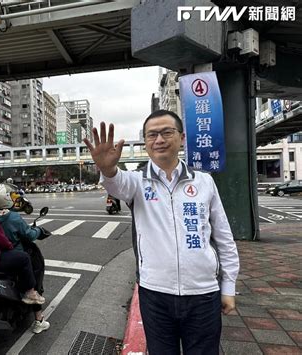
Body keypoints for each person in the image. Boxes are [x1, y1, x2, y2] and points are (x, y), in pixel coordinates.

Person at [83, 109, 240, 355]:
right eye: (151, 135)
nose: (159, 140)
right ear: (145, 142)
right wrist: (107, 170)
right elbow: (115, 183)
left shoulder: (203, 182)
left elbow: (223, 238)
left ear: (182, 137)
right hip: (155, 294)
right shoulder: (136, 182)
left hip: (203, 293)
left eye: (167, 132)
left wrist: (228, 286)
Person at [0, 184, 50, 334]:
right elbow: (29, 235)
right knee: (33, 283)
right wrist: (39, 230)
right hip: (12, 258)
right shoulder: (13, 217)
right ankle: (38, 320)